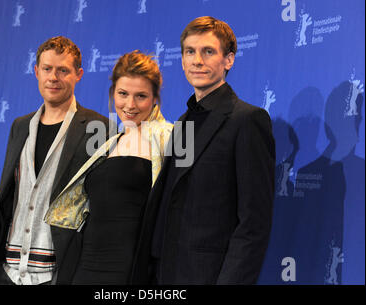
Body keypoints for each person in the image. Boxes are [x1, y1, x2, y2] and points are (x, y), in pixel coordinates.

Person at [143, 16, 276, 284]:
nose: (197, 61)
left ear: (228, 60)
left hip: (208, 276)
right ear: (181, 60)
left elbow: (253, 223)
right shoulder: (182, 123)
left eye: (208, 51)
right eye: (190, 52)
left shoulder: (247, 120)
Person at [0, 36, 108, 285]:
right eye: (47, 69)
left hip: (58, 274)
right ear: (36, 71)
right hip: (9, 271)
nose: (53, 77)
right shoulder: (20, 125)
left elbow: (98, 203)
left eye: (63, 70)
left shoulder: (97, 127)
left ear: (79, 74)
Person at [44, 50, 173, 284]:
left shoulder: (171, 137)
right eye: (123, 94)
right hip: (86, 265)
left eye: (141, 96)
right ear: (113, 93)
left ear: (155, 98)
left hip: (130, 270)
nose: (130, 105)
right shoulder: (111, 142)